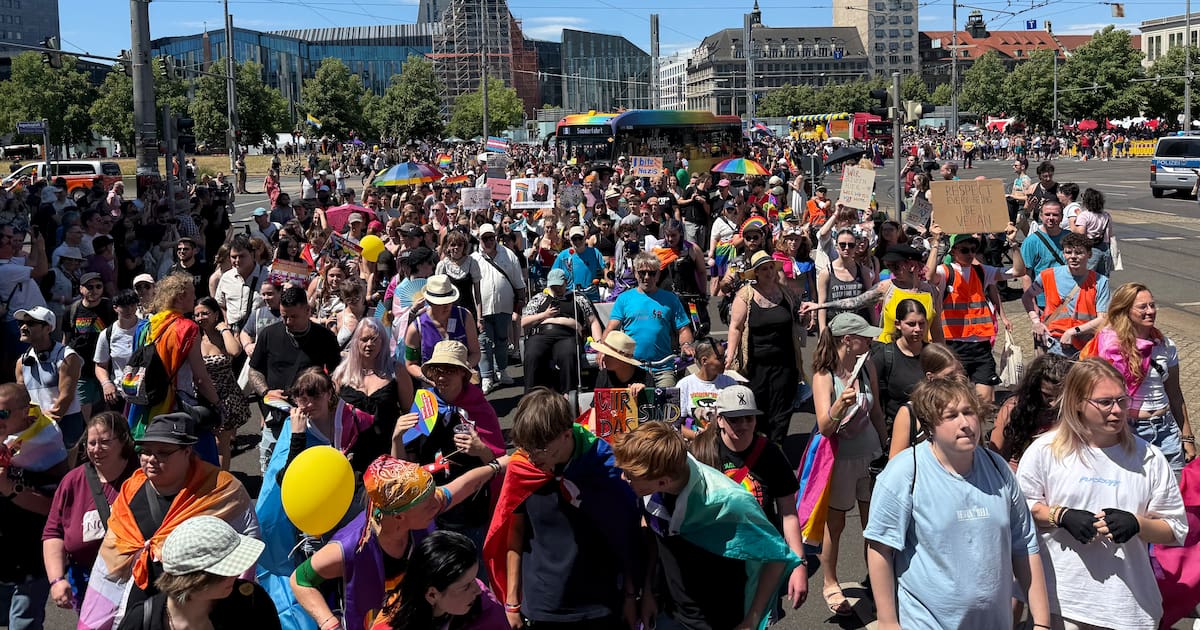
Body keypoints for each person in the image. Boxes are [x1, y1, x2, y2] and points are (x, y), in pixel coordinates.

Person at [866, 377, 1053, 630]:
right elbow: (880, 547)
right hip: (926, 623)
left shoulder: (998, 470)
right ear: (930, 424)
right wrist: (887, 621)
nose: (965, 423)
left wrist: (1041, 622)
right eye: (951, 416)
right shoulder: (905, 472)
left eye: (969, 412)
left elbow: (1025, 545)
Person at [1015, 359, 1188, 630]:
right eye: (1105, 402)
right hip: (1063, 602)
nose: (1117, 411)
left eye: (1122, 400)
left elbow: (1175, 529)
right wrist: (1061, 515)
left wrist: (1137, 524)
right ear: (1077, 403)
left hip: (1128, 607)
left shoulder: (1149, 458)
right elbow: (1022, 512)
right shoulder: (1045, 451)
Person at [611, 422, 800, 630]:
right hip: (671, 611)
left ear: (663, 482)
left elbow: (776, 556)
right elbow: (656, 535)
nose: (623, 477)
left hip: (719, 619)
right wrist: (649, 590)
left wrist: (752, 620)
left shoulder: (728, 502)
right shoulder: (652, 487)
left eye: (629, 475)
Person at [288, 454, 510, 630]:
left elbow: (465, 485)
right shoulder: (348, 548)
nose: (438, 503)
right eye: (428, 503)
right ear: (399, 516)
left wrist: (497, 466)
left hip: (422, 615)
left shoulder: (419, 509)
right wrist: (330, 625)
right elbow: (299, 581)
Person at [484, 388, 643, 629]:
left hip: (600, 601)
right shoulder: (524, 467)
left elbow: (626, 532)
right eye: (528, 449)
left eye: (543, 451)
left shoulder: (606, 466)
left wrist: (632, 595)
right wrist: (512, 601)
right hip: (544, 603)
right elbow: (514, 533)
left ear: (567, 434)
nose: (534, 459)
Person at [81, 413, 257, 629]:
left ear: (187, 451)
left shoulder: (221, 490)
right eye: (145, 452)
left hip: (200, 604)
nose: (151, 459)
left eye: (163, 453)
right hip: (138, 602)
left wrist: (233, 594)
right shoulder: (130, 490)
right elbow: (109, 558)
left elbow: (244, 543)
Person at [255, 368, 374, 629]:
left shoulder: (352, 420)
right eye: (300, 397)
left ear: (330, 393)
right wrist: (298, 436)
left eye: (314, 396)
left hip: (351, 518)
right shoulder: (293, 428)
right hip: (311, 528)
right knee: (321, 582)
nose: (307, 404)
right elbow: (285, 480)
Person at [689, 385, 810, 617]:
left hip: (761, 558)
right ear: (720, 420)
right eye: (734, 419)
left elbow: (788, 513)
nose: (743, 425)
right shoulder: (702, 452)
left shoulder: (771, 454)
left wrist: (799, 564)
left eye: (748, 418)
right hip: (717, 558)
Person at [809, 312, 886, 616]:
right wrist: (840, 405)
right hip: (840, 461)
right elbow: (825, 426)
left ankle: (878, 583)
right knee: (836, 525)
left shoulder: (866, 367)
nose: (870, 339)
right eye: (864, 335)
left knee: (874, 525)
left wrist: (887, 449)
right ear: (847, 340)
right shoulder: (823, 376)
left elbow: (877, 411)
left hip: (870, 455)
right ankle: (830, 582)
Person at [398, 341, 505, 552]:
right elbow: (406, 460)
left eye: (449, 370)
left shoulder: (479, 408)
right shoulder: (423, 403)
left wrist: (480, 449)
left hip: (469, 510)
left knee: (471, 575)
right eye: (436, 370)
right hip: (429, 509)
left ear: (463, 375)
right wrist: (396, 438)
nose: (440, 377)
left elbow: (501, 464)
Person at [1086, 282, 1195, 473]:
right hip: (1129, 430)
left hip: (1166, 430)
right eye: (1142, 307)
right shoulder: (1110, 347)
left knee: (1173, 497)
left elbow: (1175, 393)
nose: (1150, 311)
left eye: (1152, 305)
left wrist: (1187, 438)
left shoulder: (1165, 345)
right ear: (1125, 310)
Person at [43, 412, 138, 611]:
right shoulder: (73, 480)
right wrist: (57, 580)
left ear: (123, 441)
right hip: (84, 578)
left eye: (104, 442)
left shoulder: (141, 478)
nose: (96, 449)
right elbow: (53, 532)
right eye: (91, 443)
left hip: (132, 579)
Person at [117, 515, 279, 630]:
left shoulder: (251, 602)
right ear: (193, 579)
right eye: (225, 571)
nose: (236, 574)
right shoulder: (140, 621)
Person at [247, 286, 342, 472]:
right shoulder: (269, 334)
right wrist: (266, 392)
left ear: (308, 310)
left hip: (311, 422)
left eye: (293, 316)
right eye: (284, 316)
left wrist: (325, 404)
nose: (288, 322)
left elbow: (336, 376)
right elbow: (255, 371)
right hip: (275, 419)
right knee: (271, 472)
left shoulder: (326, 338)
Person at [0, 382, 68, 630]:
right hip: (4, 556)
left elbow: (54, 509)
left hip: (29, 557)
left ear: (25, 412)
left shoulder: (45, 443)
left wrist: (9, 488)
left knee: (22, 624)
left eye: (3, 414)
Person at [928, 229, 1024, 402]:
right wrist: (935, 243)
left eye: (973, 249)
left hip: (981, 345)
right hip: (953, 345)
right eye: (965, 250)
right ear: (954, 251)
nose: (970, 253)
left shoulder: (981, 271)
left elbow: (1018, 272)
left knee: (986, 399)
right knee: (955, 398)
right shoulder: (945, 272)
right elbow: (928, 275)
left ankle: (981, 428)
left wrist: (1014, 244)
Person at [725, 251, 805, 444]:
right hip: (756, 365)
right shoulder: (746, 295)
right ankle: (760, 447)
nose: (769, 272)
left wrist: (805, 318)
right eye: (764, 269)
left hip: (785, 364)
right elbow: (735, 327)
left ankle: (776, 447)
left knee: (783, 409)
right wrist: (730, 354)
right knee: (759, 408)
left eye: (771, 267)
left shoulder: (785, 293)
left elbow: (797, 316)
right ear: (756, 273)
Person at [369, 531, 508, 630]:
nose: (478, 590)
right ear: (432, 595)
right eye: (466, 586)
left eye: (474, 579)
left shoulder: (487, 610)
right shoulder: (390, 623)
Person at [333, 318, 412, 474]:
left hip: (387, 453)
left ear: (383, 341)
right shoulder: (342, 373)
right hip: (350, 456)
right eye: (364, 339)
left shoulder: (397, 371)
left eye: (374, 339)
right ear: (356, 341)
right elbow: (332, 413)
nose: (369, 344)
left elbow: (409, 412)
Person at [605, 251, 694, 387]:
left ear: (658, 274)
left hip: (663, 368)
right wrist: (604, 349)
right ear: (635, 273)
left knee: (667, 403)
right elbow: (611, 328)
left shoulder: (670, 299)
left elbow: (683, 329)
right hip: (633, 368)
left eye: (652, 273)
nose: (646, 277)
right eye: (642, 273)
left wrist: (686, 345)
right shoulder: (624, 298)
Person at [1022, 232, 1110, 357]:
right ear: (1063, 254)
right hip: (1054, 344)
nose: (1073, 257)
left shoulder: (1100, 281)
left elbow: (1103, 318)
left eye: (1079, 253)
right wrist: (1036, 322)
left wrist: (1073, 332)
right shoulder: (1047, 275)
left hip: (1086, 345)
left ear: (1089, 254)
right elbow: (1027, 297)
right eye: (1068, 252)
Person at [520, 268, 602, 396]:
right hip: (542, 334)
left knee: (568, 354)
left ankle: (568, 394)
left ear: (565, 282)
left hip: (567, 335)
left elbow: (593, 321)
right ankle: (530, 396)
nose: (557, 289)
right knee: (532, 354)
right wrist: (544, 314)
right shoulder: (539, 298)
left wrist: (599, 343)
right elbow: (524, 322)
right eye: (553, 286)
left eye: (559, 286)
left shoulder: (578, 298)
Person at [14, 306, 85, 449]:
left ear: (48, 328)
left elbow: (65, 398)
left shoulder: (67, 357)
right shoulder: (22, 362)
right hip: (38, 425)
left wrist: (40, 425)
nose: (23, 327)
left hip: (67, 424)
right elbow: (21, 399)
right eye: (21, 323)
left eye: (31, 323)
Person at [192, 297, 249, 470]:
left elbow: (235, 351)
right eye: (197, 314)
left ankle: (223, 479)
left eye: (205, 313)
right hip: (202, 397)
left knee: (220, 443)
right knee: (203, 442)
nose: (201, 317)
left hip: (226, 399)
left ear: (216, 314)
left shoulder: (224, 336)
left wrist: (224, 328)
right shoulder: (195, 338)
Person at [989, 354, 1070, 470]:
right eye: (1046, 395)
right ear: (1033, 389)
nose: (1054, 403)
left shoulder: (1073, 411)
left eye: (1060, 396)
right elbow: (995, 456)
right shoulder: (1013, 408)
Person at [472, 224, 526, 393]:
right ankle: (487, 376)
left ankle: (501, 370)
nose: (488, 241)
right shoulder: (473, 258)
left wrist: (519, 304)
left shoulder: (508, 255)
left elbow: (518, 281)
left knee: (502, 341)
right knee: (484, 343)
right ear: (479, 239)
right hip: (482, 308)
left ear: (495, 237)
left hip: (504, 306)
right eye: (484, 238)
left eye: (491, 238)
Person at [886, 343, 965, 459]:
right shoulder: (909, 413)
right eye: (950, 375)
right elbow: (895, 462)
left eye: (960, 372)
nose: (958, 380)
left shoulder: (967, 407)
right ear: (930, 377)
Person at [403, 275, 480, 387]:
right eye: (441, 303)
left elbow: (476, 352)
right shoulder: (415, 328)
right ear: (430, 302)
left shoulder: (465, 316)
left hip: (465, 384)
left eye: (449, 301)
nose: (447, 306)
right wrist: (431, 380)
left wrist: (462, 369)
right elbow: (410, 364)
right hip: (433, 387)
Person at [871, 299, 930, 433]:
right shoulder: (884, 356)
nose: (918, 329)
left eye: (921, 323)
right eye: (911, 324)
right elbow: (874, 403)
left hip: (930, 431)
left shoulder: (933, 355)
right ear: (898, 324)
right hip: (896, 432)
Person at [675, 338, 737, 438]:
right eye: (719, 358)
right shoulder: (684, 385)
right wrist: (699, 437)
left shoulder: (730, 383)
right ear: (704, 361)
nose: (725, 361)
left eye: (724, 357)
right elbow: (676, 425)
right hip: (696, 443)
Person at [95, 290, 144, 410]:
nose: (129, 310)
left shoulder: (147, 329)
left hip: (145, 392)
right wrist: (106, 384)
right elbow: (100, 365)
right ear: (115, 308)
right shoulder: (107, 334)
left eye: (132, 305)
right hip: (120, 395)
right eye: (124, 306)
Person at [213, 236, 263, 333]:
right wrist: (226, 322)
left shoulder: (268, 275)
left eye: (242, 256)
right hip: (234, 332)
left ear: (252, 255)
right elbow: (220, 304)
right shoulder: (226, 278)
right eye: (234, 257)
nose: (237, 260)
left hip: (259, 331)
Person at [436, 230, 484, 325]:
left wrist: (479, 318)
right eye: (453, 245)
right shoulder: (443, 266)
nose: (456, 248)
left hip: (468, 311)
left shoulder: (472, 263)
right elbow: (438, 295)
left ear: (464, 246)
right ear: (448, 247)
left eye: (459, 245)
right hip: (449, 313)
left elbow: (478, 294)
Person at [553, 225, 605, 302]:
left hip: (591, 296)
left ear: (585, 238)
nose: (577, 241)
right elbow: (554, 275)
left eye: (580, 238)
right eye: (574, 239)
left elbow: (605, 269)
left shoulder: (594, 252)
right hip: (571, 296)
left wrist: (608, 279)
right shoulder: (562, 256)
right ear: (570, 240)